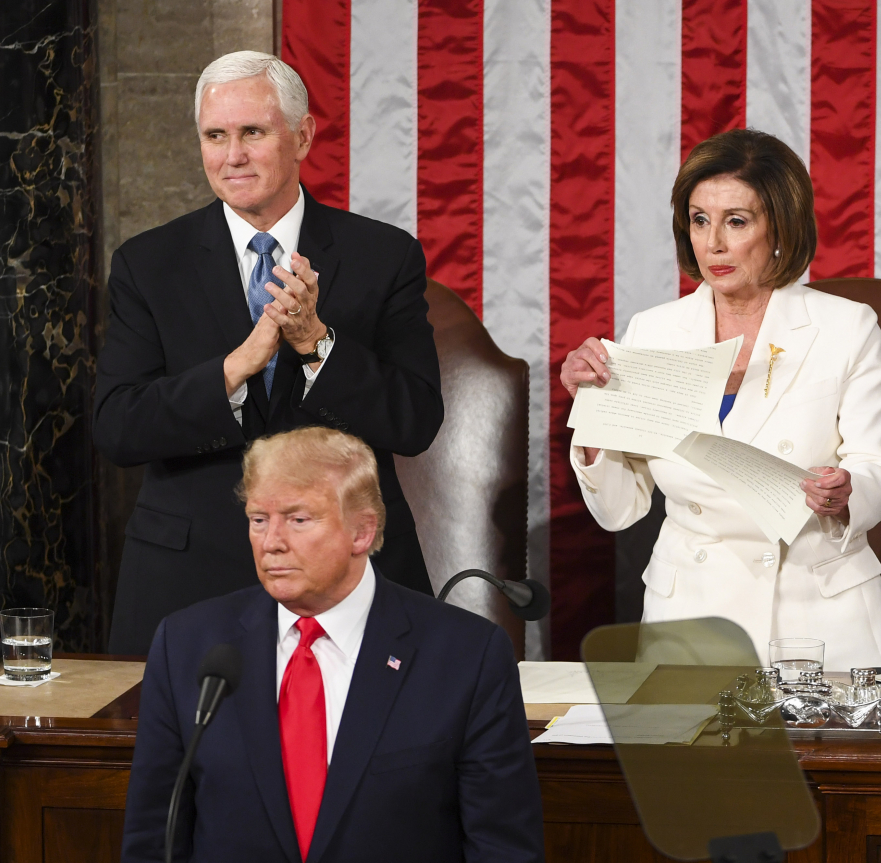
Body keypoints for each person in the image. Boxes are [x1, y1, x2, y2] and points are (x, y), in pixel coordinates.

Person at [95, 52, 443, 654]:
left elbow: (414, 420)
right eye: (215, 136)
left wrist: (315, 344)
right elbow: (118, 426)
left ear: (302, 135)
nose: (233, 156)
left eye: (252, 132)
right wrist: (235, 369)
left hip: (346, 571)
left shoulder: (383, 256)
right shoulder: (147, 264)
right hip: (190, 578)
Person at [560, 128, 881, 671]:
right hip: (692, 619)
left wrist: (847, 492)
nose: (713, 244)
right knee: (699, 760)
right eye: (700, 220)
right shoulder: (652, 332)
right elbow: (619, 509)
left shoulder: (846, 327)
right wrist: (592, 422)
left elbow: (879, 468)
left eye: (736, 221)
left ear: (780, 230)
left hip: (821, 620)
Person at [121, 427, 545, 862]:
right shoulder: (188, 645)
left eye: (298, 519)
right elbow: (153, 839)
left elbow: (504, 849)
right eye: (258, 519)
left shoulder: (466, 656)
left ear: (362, 532)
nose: (271, 543)